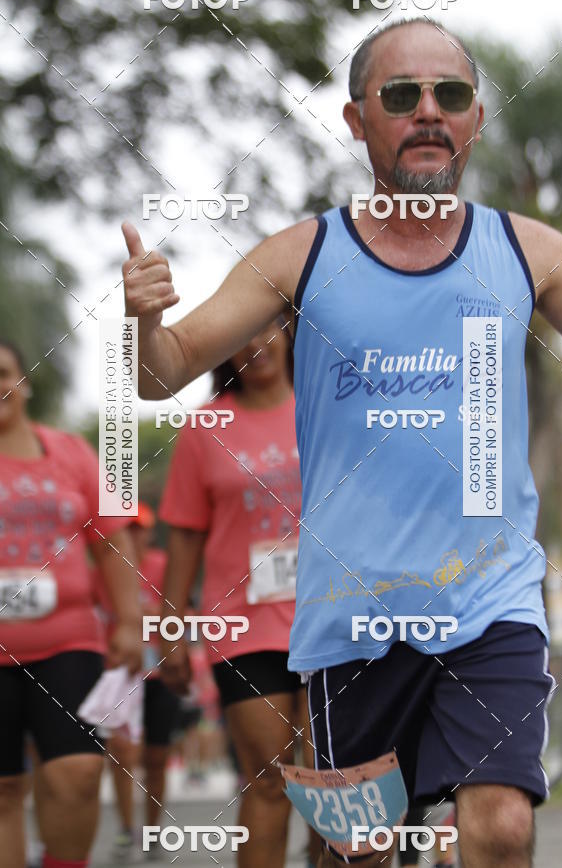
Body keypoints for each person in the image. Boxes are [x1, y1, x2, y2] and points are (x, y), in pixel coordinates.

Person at [120, 17, 562, 868]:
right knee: (358, 852)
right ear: (355, 120)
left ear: (475, 119)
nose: (427, 113)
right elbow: (165, 372)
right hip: (353, 621)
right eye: (401, 95)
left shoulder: (531, 254)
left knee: (501, 826)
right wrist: (146, 323)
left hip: (491, 603)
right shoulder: (301, 257)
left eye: (449, 96)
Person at [158, 319, 320, 868]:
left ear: (291, 333)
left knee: (336, 786)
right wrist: (172, 628)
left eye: (267, 329)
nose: (256, 344)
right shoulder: (206, 429)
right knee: (269, 779)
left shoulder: (329, 406)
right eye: (241, 333)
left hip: (337, 620)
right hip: (244, 628)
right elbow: (185, 535)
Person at [0, 340, 142, 868]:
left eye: (3, 372)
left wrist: (128, 621)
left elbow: (113, 540)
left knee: (78, 773)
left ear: (25, 381)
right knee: (5, 789)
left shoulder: (72, 452)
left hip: (69, 641)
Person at [91, 502, 180, 863]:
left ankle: (153, 833)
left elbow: (184, 613)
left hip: (160, 672)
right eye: (126, 528)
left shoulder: (163, 566)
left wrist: (153, 615)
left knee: (156, 758)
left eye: (139, 528)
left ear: (150, 531)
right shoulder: (104, 571)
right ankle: (129, 830)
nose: (133, 535)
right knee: (122, 753)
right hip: (120, 673)